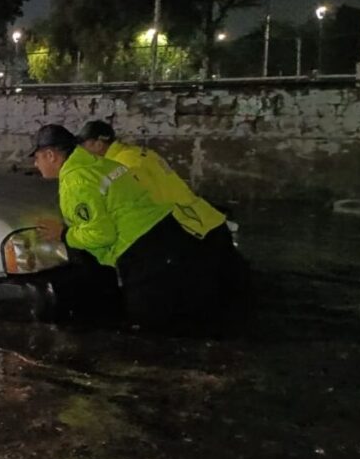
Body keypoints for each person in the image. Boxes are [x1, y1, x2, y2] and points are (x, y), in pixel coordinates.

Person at [31, 124, 224, 333]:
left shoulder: (75, 180)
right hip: (169, 234)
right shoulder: (102, 164)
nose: (35, 164)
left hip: (143, 254)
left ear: (50, 155)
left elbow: (101, 235)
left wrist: (63, 234)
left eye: (37, 157)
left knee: (153, 329)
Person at [77, 120, 250, 319]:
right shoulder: (137, 153)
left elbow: (136, 207)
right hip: (203, 217)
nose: (83, 152)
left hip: (187, 226)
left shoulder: (122, 165)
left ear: (99, 144)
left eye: (85, 146)